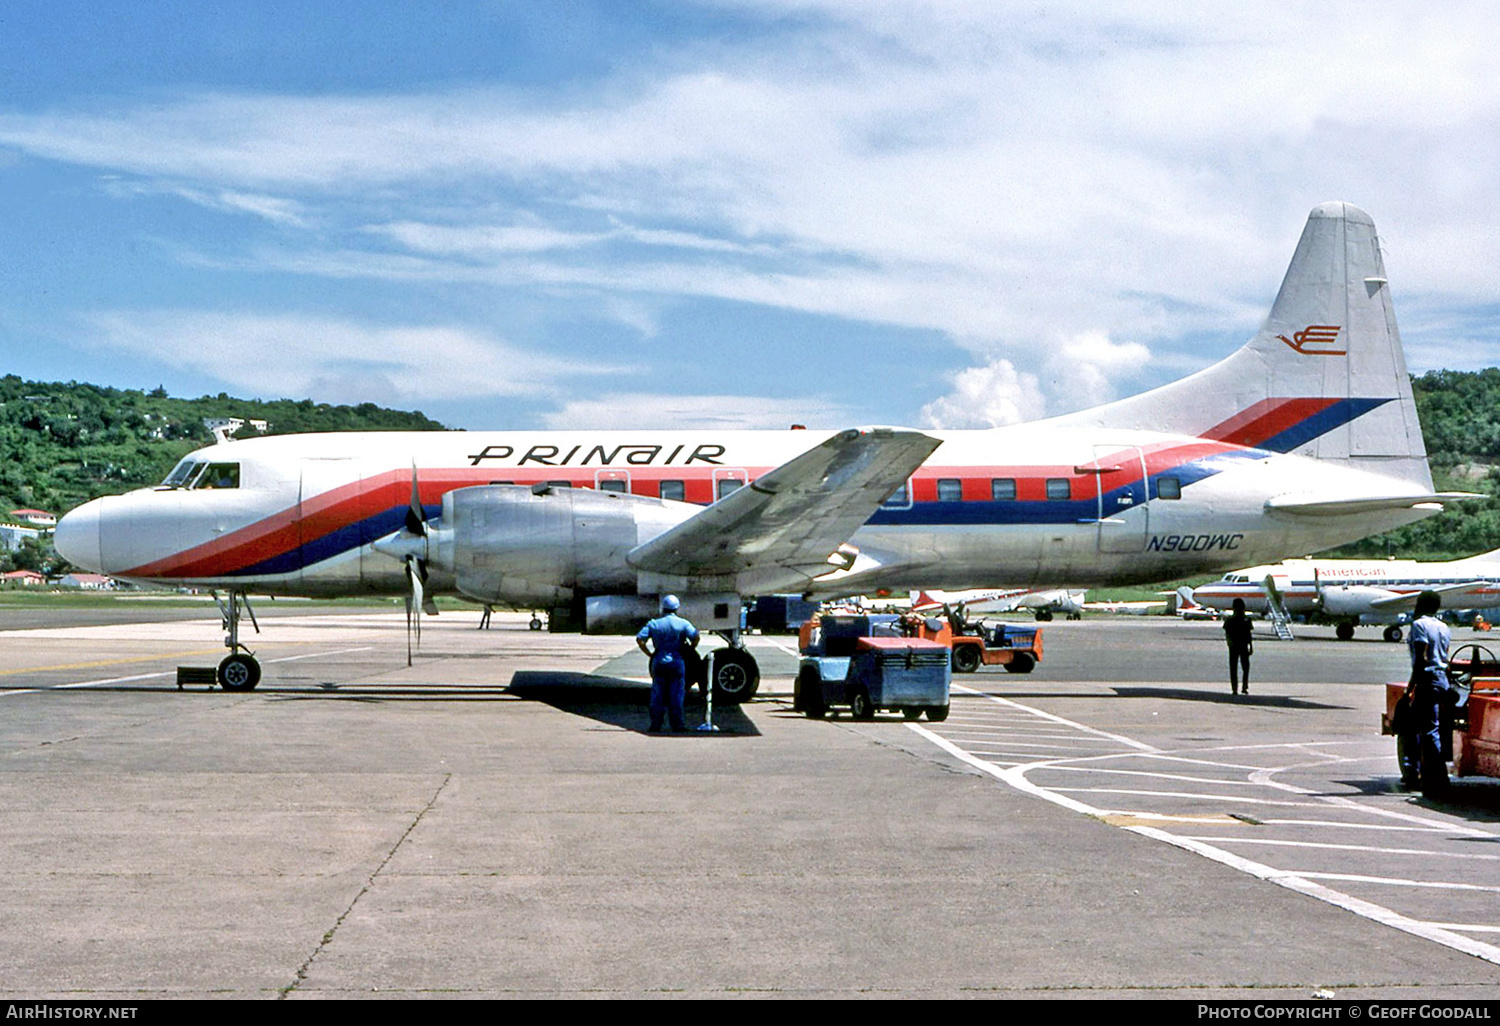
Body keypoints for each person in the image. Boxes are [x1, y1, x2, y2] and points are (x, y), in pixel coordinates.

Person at [1402, 590, 1452, 797]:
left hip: (1428, 679)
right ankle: (1421, 771)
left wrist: (1411, 686)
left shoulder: (1419, 625)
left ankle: (1436, 776)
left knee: (1426, 728)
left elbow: (1421, 657)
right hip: (1443, 679)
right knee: (1427, 725)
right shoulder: (1444, 626)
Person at [636, 595, 699, 733]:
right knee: (676, 695)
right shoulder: (683, 623)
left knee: (657, 695)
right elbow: (695, 636)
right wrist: (689, 649)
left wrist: (650, 653)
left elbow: (640, 639)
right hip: (677, 662)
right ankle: (678, 725)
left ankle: (655, 725)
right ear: (677, 608)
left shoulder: (654, 623)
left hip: (659, 662)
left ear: (663, 608)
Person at [1223, 597, 1254, 695]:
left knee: (1239, 668)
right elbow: (1227, 633)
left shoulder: (1242, 619)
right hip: (1237, 645)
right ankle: (1238, 688)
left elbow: (1249, 634)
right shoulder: (1237, 620)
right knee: (1238, 667)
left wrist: (1250, 645)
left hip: (1239, 645)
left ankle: (1241, 687)